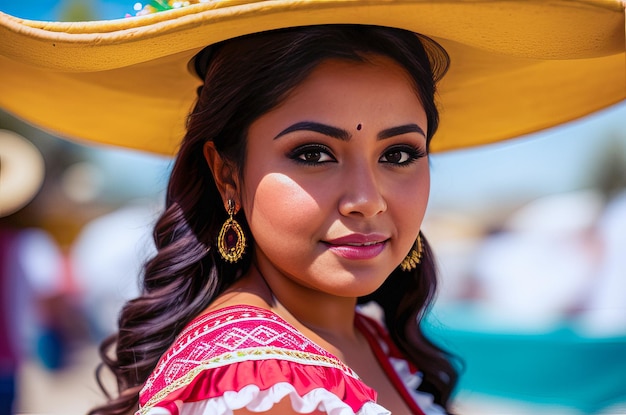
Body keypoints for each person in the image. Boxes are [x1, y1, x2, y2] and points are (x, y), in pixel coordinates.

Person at [0, 2, 623, 415]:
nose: (367, 198)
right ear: (227, 175)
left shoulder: (359, 336)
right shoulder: (258, 380)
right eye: (315, 154)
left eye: (400, 154)